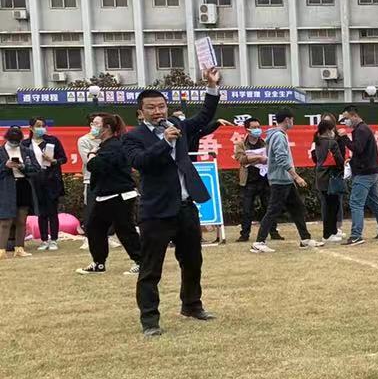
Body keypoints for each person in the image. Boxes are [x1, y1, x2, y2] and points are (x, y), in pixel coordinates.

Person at [122, 67, 224, 337]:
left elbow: (204, 116)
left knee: (192, 261)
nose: (158, 111)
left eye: (161, 106)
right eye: (151, 108)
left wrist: (212, 87)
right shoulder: (133, 137)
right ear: (140, 112)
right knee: (150, 269)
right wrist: (164, 143)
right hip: (156, 211)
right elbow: (140, 162)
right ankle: (150, 320)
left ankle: (192, 305)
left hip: (185, 207)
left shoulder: (177, 125)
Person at [76, 114, 141, 275]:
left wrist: (91, 154)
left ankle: (141, 262)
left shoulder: (113, 146)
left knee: (125, 229)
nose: (93, 126)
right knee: (94, 227)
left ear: (107, 128)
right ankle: (99, 263)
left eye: (96, 124)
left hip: (120, 195)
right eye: (92, 123)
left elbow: (94, 165)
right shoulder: (105, 145)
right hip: (106, 195)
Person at [251, 110, 324, 253]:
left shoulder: (276, 134)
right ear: (287, 120)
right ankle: (259, 242)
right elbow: (281, 159)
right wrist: (296, 176)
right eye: (292, 119)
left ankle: (305, 239)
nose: (292, 122)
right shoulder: (278, 136)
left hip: (285, 179)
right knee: (273, 210)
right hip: (280, 179)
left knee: (297, 208)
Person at [341, 105, 378, 245]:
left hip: (364, 174)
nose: (345, 121)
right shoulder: (363, 129)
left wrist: (345, 139)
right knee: (374, 202)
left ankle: (356, 235)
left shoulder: (361, 130)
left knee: (356, 203)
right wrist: (352, 160)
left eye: (346, 118)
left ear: (354, 116)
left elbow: (358, 148)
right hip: (372, 171)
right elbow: (362, 152)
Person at [25, 117, 66, 250]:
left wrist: (54, 161)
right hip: (35, 182)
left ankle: (53, 240)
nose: (41, 128)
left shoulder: (52, 140)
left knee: (52, 211)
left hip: (51, 180)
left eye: (43, 125)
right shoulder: (25, 144)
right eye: (38, 126)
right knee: (41, 212)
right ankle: (44, 240)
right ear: (31, 128)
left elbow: (63, 158)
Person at [2, 126, 41, 260]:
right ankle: (1, 250)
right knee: (5, 220)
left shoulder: (27, 151)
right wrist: (5, 166)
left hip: (23, 185)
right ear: (6, 138)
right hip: (6, 187)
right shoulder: (1, 151)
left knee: (21, 219)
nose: (14, 143)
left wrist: (22, 166)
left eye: (17, 141)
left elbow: (36, 169)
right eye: (12, 141)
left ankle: (19, 248)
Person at [233, 118, 271, 243]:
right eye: (254, 127)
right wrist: (258, 157)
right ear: (247, 129)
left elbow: (269, 158)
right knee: (247, 209)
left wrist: (253, 157)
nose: (257, 129)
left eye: (258, 127)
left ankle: (273, 232)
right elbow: (241, 159)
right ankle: (244, 234)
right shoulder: (241, 144)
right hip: (249, 180)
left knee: (268, 207)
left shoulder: (265, 142)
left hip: (264, 179)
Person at [311, 118, 349, 243]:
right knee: (333, 207)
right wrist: (343, 168)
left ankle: (331, 232)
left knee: (328, 206)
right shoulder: (331, 143)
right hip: (331, 178)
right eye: (332, 129)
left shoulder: (317, 142)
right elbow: (339, 160)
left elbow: (315, 158)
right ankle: (328, 234)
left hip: (320, 177)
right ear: (328, 130)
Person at [77, 112, 104, 215]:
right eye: (94, 123)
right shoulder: (84, 140)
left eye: (99, 124)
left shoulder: (109, 139)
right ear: (90, 124)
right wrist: (93, 152)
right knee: (92, 214)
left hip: (109, 181)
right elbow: (89, 163)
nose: (96, 126)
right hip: (91, 181)